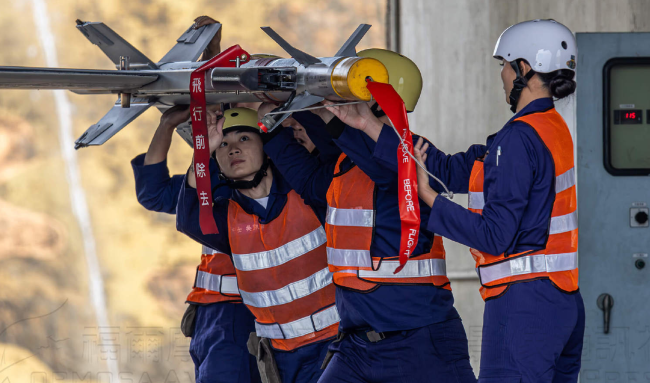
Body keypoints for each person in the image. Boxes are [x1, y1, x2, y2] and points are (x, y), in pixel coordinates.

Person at [383, 19, 583, 382]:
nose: (502, 76)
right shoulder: (551, 128)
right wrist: (374, 126)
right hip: (561, 302)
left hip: (524, 307)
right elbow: (451, 168)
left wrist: (428, 196)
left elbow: (495, 236)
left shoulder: (518, 139)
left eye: (504, 66)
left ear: (524, 68)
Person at [260, 49, 476, 383]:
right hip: (357, 346)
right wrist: (271, 124)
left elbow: (389, 170)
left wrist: (331, 119)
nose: (337, 102)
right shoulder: (343, 167)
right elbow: (306, 179)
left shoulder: (413, 155)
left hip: (419, 344)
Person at [131, 15, 261, 383]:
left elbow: (233, 102)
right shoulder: (205, 180)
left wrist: (216, 52)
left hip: (260, 311)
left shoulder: (278, 175)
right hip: (216, 314)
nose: (227, 141)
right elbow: (153, 192)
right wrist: (168, 124)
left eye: (241, 139)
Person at [176, 108, 339, 383]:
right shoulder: (227, 219)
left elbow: (333, 155)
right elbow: (188, 218)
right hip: (284, 358)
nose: (233, 150)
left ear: (266, 146)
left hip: (336, 345)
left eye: (244, 139)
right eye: (224, 145)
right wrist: (202, 154)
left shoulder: (306, 190)